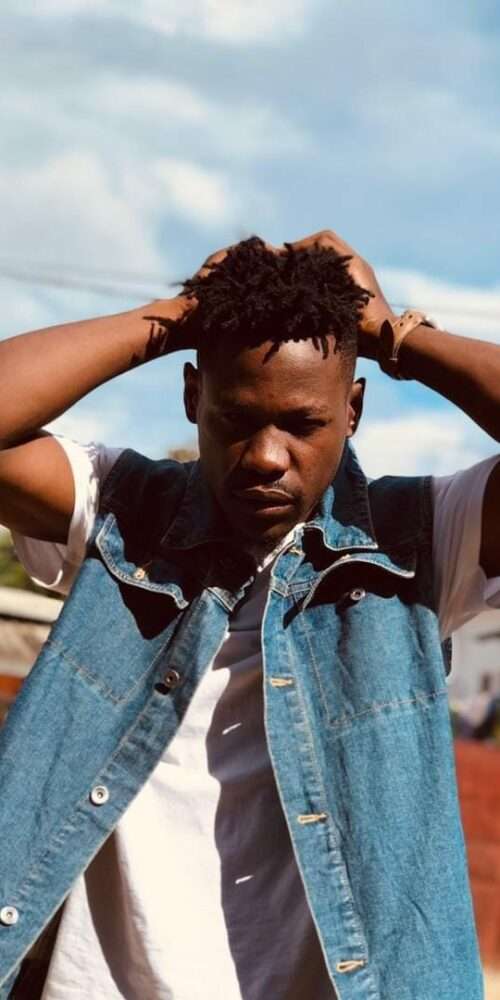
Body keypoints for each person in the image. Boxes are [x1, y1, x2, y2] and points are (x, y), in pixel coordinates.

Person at [0, 230, 499, 1000]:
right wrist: (175, 316)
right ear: (192, 397)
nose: (266, 456)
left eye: (302, 424)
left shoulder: (420, 539)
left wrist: (394, 334)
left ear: (353, 409)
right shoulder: (123, 513)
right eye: (235, 420)